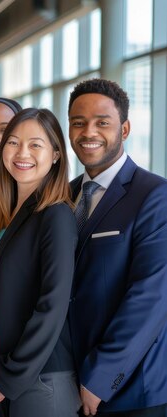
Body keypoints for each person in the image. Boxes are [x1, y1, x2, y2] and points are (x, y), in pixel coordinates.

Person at [66, 78, 167, 416]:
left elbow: (151, 297)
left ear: (124, 129)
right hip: (69, 382)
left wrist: (100, 378)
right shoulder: (65, 195)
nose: (88, 132)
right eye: (78, 123)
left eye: (102, 122)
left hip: (130, 389)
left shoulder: (154, 195)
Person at [0, 108, 79, 417]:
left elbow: (52, 304)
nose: (22, 153)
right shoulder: (7, 216)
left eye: (35, 144)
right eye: (14, 142)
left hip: (41, 378)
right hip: (7, 370)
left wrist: (12, 375)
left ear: (56, 155)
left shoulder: (56, 216)